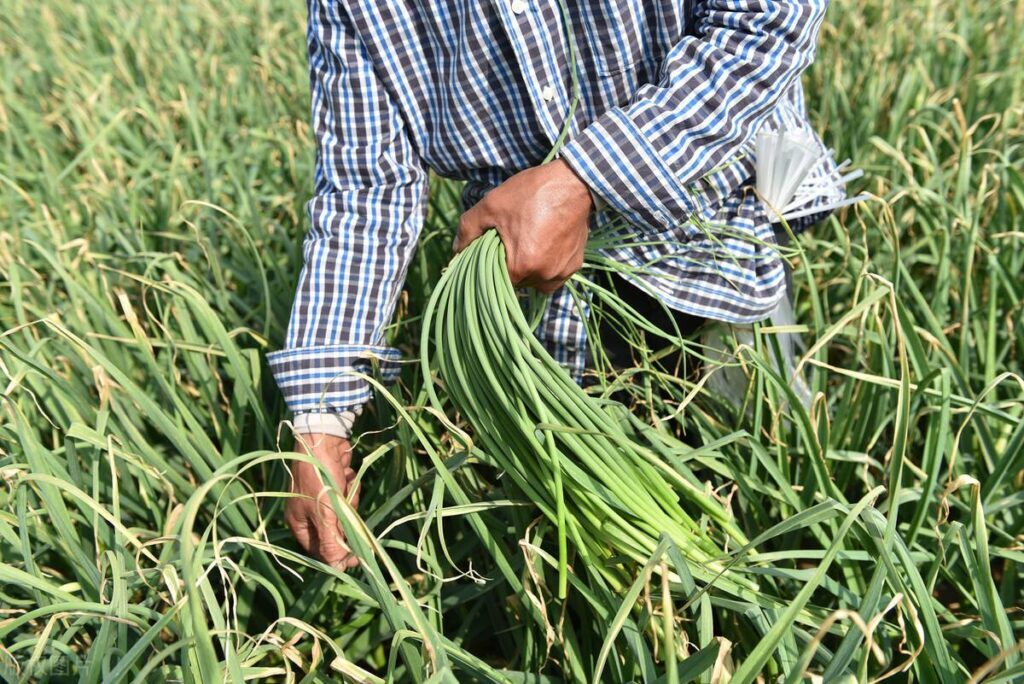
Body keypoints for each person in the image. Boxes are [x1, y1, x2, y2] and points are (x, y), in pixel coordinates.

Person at [270, 0, 844, 569]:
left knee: (764, 484)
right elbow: (365, 194)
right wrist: (320, 418)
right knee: (604, 535)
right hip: (541, 290)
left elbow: (764, 23)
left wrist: (585, 180)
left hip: (717, 226)